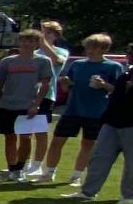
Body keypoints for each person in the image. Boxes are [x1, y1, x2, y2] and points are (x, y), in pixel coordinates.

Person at [46, 34, 122, 183]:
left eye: (93, 47)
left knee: (88, 144)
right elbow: (67, 88)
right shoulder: (78, 64)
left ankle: (76, 176)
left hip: (97, 112)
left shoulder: (113, 67)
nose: (89, 50)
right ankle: (49, 173)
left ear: (103, 49)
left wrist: (103, 85)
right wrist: (65, 83)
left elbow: (117, 91)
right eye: (88, 46)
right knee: (57, 141)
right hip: (72, 110)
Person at [0, 29, 55, 181]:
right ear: (19, 42)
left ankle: (20, 167)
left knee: (26, 138)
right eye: (24, 40)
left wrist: (36, 104)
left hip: (28, 105)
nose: (27, 44)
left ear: (37, 44)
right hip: (7, 105)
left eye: (31, 41)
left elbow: (45, 85)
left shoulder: (43, 61)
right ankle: (12, 169)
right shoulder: (8, 61)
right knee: (9, 138)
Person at [69, 62, 133, 204]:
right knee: (99, 158)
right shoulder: (127, 73)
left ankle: (129, 196)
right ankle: (88, 192)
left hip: (130, 124)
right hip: (112, 121)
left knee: (131, 162)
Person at [31, 21, 71, 175]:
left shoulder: (61, 51)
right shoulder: (32, 52)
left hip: (47, 95)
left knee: (40, 131)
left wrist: (42, 43)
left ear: (56, 35)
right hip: (26, 95)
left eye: (48, 33)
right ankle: (24, 163)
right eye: (42, 32)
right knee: (24, 132)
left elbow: (57, 61)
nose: (44, 36)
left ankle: (37, 165)